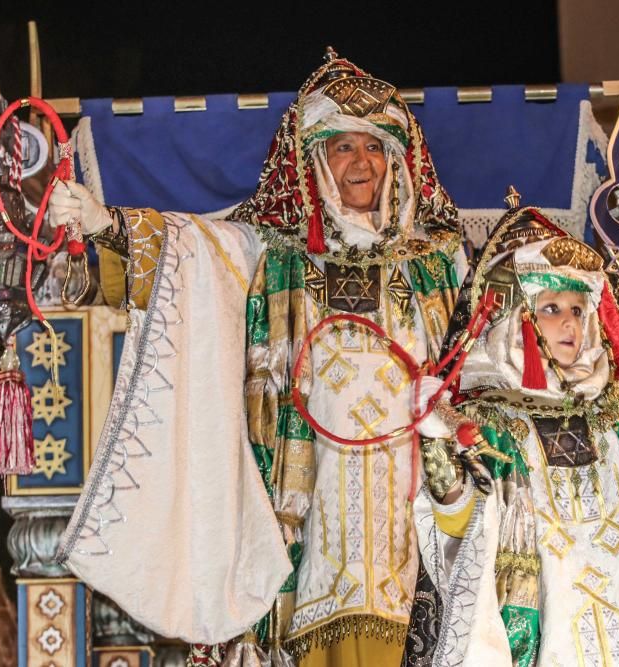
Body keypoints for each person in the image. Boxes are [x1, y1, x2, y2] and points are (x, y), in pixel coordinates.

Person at [51, 50, 466, 666]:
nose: (361, 162)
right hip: (303, 504)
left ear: (398, 161)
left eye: (374, 146)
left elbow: (483, 367)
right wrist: (106, 224)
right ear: (314, 162)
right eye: (342, 146)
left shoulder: (437, 265)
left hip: (418, 511)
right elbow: (192, 255)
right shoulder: (275, 255)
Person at [401, 202, 619, 666]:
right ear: (515, 316)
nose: (569, 323)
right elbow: (460, 520)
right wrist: (437, 439)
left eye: (578, 309)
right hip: (542, 633)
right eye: (552, 308)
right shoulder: (490, 422)